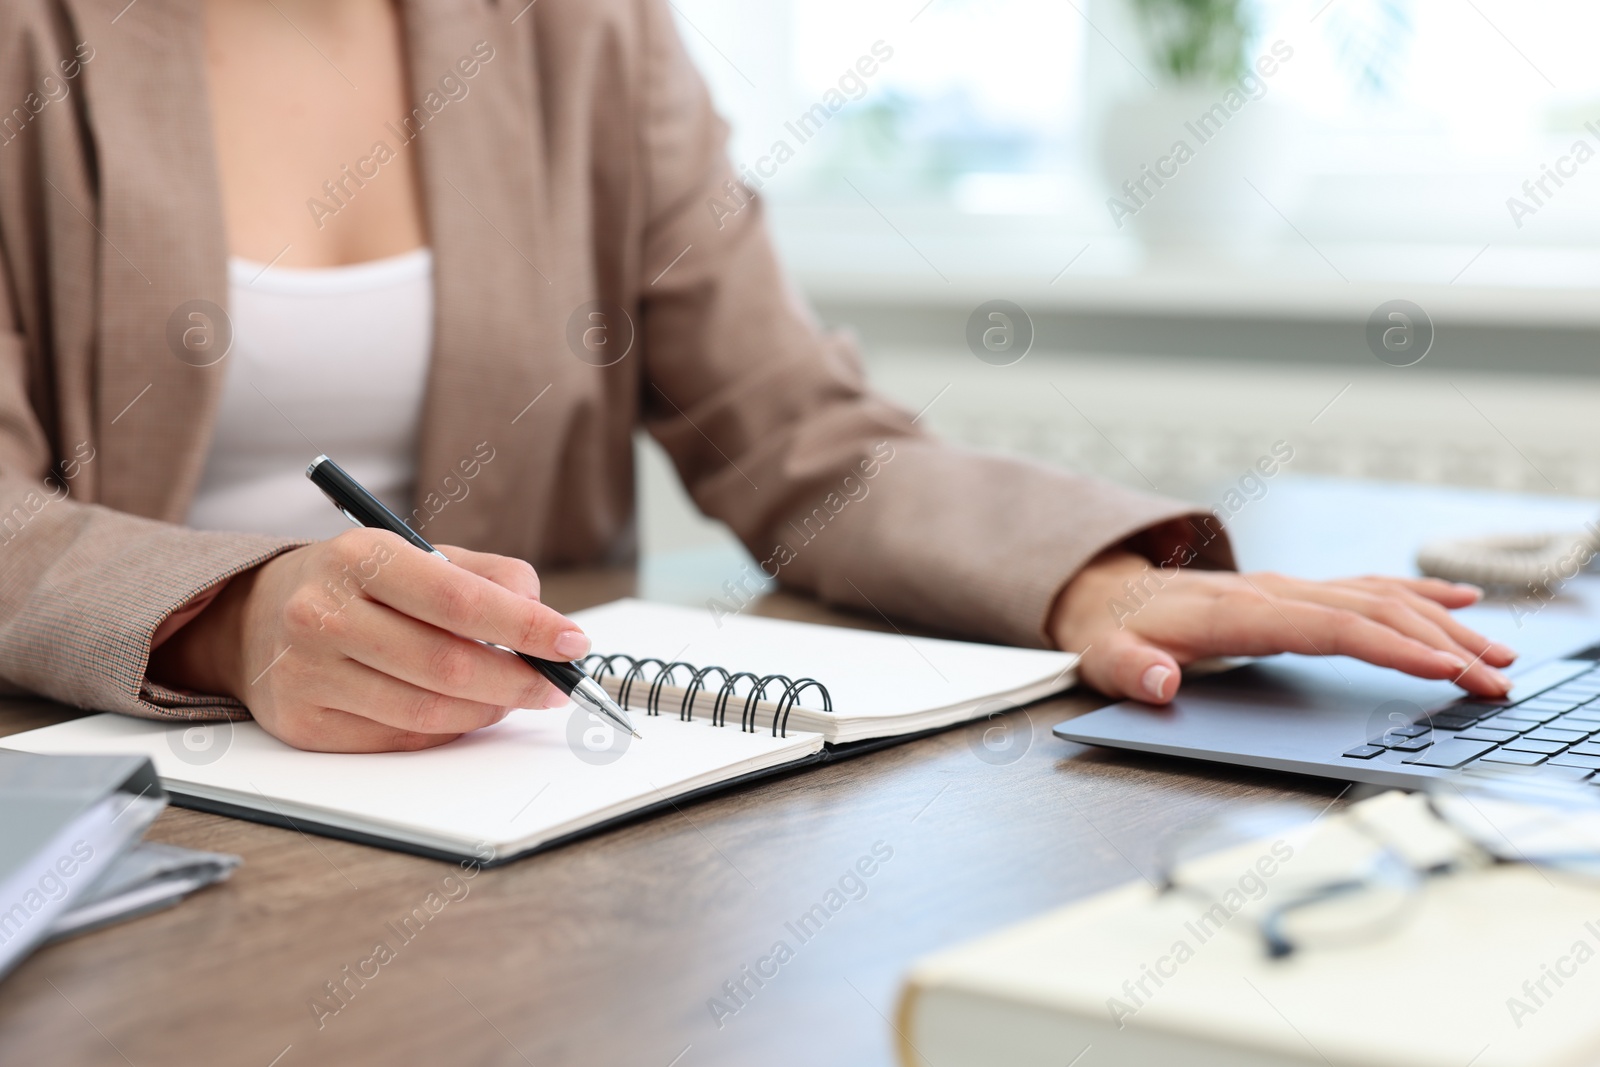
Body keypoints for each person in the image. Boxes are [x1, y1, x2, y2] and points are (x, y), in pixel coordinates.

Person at [0, 0, 1514, 753]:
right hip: (109, 815)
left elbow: (794, 427)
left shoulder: (577, 31)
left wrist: (1092, 580)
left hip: (514, 790)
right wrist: (230, 624)